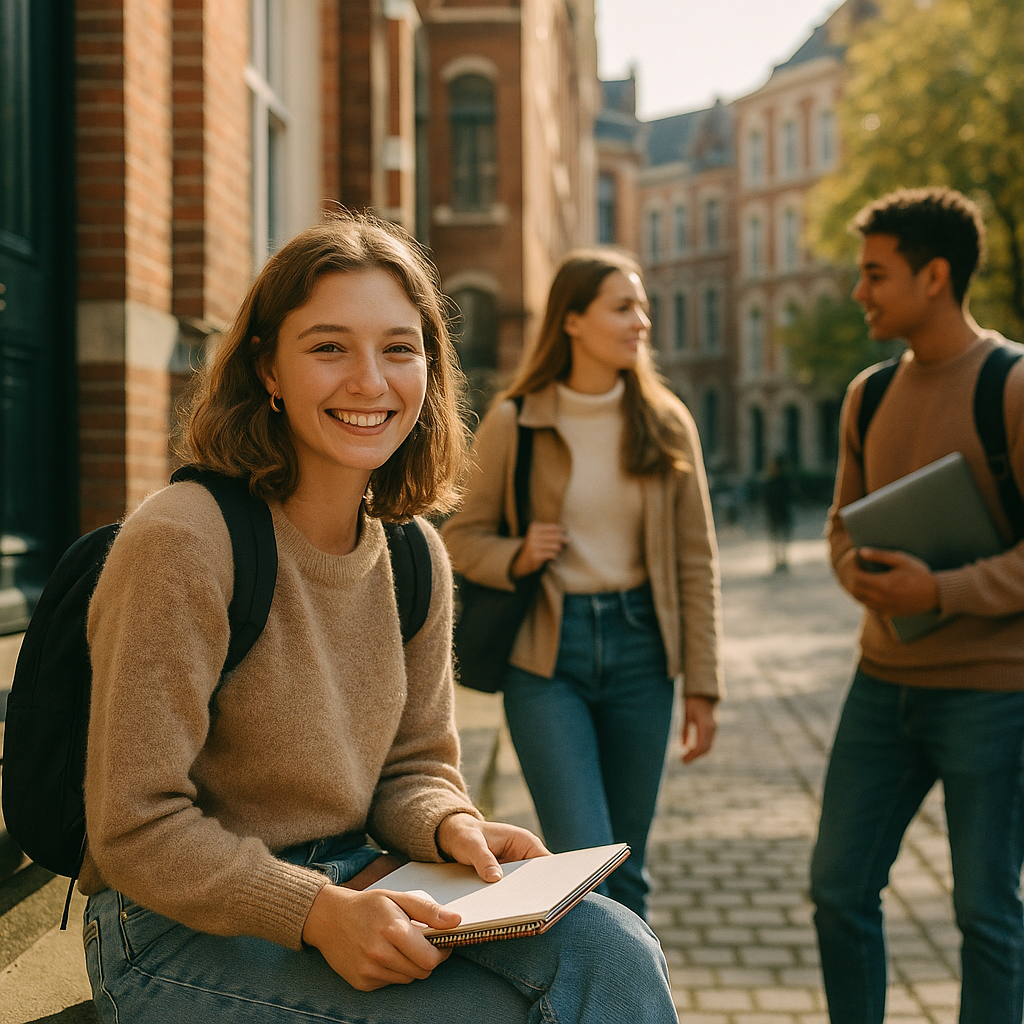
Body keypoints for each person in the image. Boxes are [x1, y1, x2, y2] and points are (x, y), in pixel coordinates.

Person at [79, 215, 678, 1024]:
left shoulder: (413, 556)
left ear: (429, 369)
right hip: (169, 929)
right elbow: (134, 828)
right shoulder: (183, 541)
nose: (371, 382)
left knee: (616, 948)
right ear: (270, 369)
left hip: (362, 878)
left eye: (399, 349)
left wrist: (451, 826)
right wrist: (316, 912)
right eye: (329, 348)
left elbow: (416, 766)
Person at [442, 248, 723, 922]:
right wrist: (517, 553)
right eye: (623, 307)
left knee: (629, 869)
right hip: (547, 658)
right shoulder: (518, 420)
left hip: (641, 655)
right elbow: (459, 536)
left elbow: (695, 561)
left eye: (643, 307)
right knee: (584, 863)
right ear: (572, 320)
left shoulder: (666, 422)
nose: (642, 322)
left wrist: (704, 685)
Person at [809, 188, 1024, 1024]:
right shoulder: (866, 394)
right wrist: (856, 574)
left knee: (986, 914)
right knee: (838, 890)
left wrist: (940, 591)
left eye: (874, 274)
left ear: (934, 277)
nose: (859, 292)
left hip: (993, 695)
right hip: (882, 684)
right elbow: (840, 522)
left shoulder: (1010, 386)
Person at [763, 455, 794, 572]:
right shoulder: (771, 482)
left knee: (781, 540)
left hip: (781, 514)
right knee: (776, 540)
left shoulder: (780, 481)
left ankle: (782, 560)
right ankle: (778, 561)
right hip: (776, 515)